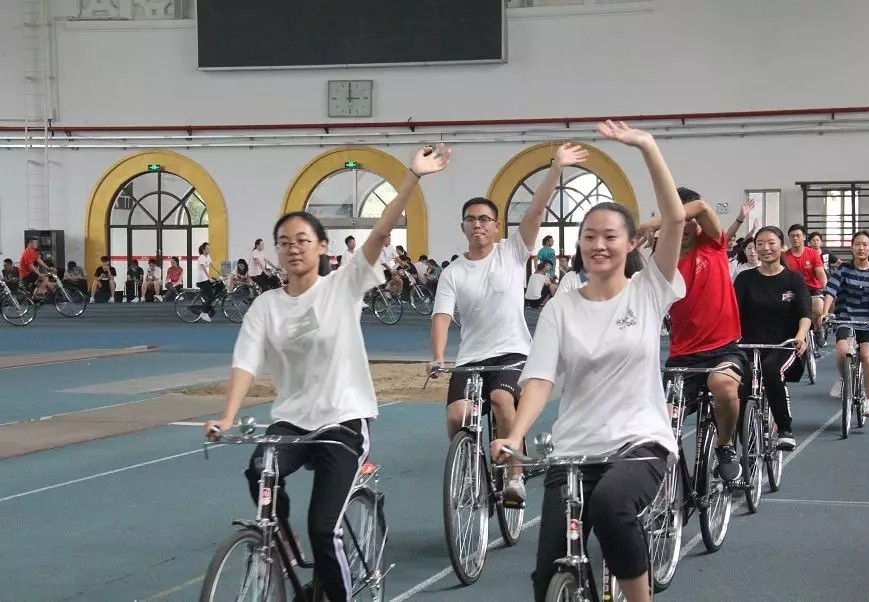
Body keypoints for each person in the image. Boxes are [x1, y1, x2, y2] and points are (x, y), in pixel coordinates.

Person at [204, 145, 450, 602]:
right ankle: (280, 542)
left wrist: (412, 178)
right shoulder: (266, 306)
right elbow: (245, 363)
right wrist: (227, 416)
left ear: (322, 247)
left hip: (343, 421)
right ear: (277, 252)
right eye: (285, 242)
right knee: (258, 471)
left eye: (303, 240)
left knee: (324, 528)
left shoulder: (343, 286)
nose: (293, 248)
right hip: (292, 422)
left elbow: (381, 232)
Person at [492, 121, 683, 602]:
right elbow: (539, 379)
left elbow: (676, 220)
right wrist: (515, 435)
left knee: (612, 506)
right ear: (579, 244)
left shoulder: (648, 290)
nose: (599, 245)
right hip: (574, 447)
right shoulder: (560, 307)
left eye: (610, 236)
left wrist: (647, 146)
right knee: (548, 576)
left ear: (631, 243)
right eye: (589, 236)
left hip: (639, 442)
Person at [431, 141, 589, 505]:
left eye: (484, 219)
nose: (477, 224)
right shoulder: (453, 272)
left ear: (496, 225)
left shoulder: (512, 252)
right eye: (471, 219)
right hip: (471, 357)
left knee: (502, 400)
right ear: (463, 226)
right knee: (457, 416)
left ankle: (514, 477)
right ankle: (470, 468)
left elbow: (535, 211)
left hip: (513, 353)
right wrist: (438, 355)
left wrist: (556, 168)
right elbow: (442, 316)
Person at [635, 187, 745, 483]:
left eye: (686, 220)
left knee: (723, 386)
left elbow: (703, 207)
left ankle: (725, 445)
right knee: (664, 422)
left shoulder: (713, 244)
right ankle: (675, 490)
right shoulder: (663, 261)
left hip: (723, 348)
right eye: (676, 222)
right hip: (683, 355)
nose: (682, 226)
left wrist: (655, 221)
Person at [734, 227, 811, 451]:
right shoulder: (745, 278)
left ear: (781, 246)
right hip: (749, 345)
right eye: (760, 244)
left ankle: (785, 429)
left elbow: (805, 314)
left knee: (770, 370)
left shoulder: (793, 279)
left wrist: (800, 336)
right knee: (740, 384)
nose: (765, 248)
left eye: (771, 243)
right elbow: (732, 312)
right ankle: (743, 441)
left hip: (784, 346)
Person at [821, 231, 869, 418]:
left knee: (867, 355)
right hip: (847, 319)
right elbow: (830, 292)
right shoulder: (843, 270)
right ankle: (844, 379)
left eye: (865, 244)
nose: (861, 248)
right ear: (852, 247)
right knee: (842, 351)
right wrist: (825, 312)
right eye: (857, 244)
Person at [785, 224, 828, 347]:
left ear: (804, 237)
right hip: (794, 290)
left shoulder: (813, 253)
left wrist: (826, 290)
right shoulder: (785, 256)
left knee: (818, 308)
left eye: (798, 235)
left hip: (813, 289)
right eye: (792, 236)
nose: (795, 238)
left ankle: (818, 330)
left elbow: (821, 274)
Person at [196, 243, 218, 322]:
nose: (209, 250)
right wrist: (209, 278)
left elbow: (213, 266)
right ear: (203, 249)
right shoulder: (201, 257)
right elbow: (204, 269)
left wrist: (221, 273)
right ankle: (204, 313)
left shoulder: (208, 256)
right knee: (211, 296)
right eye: (207, 248)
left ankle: (211, 300)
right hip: (201, 280)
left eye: (209, 248)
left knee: (218, 283)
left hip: (206, 279)